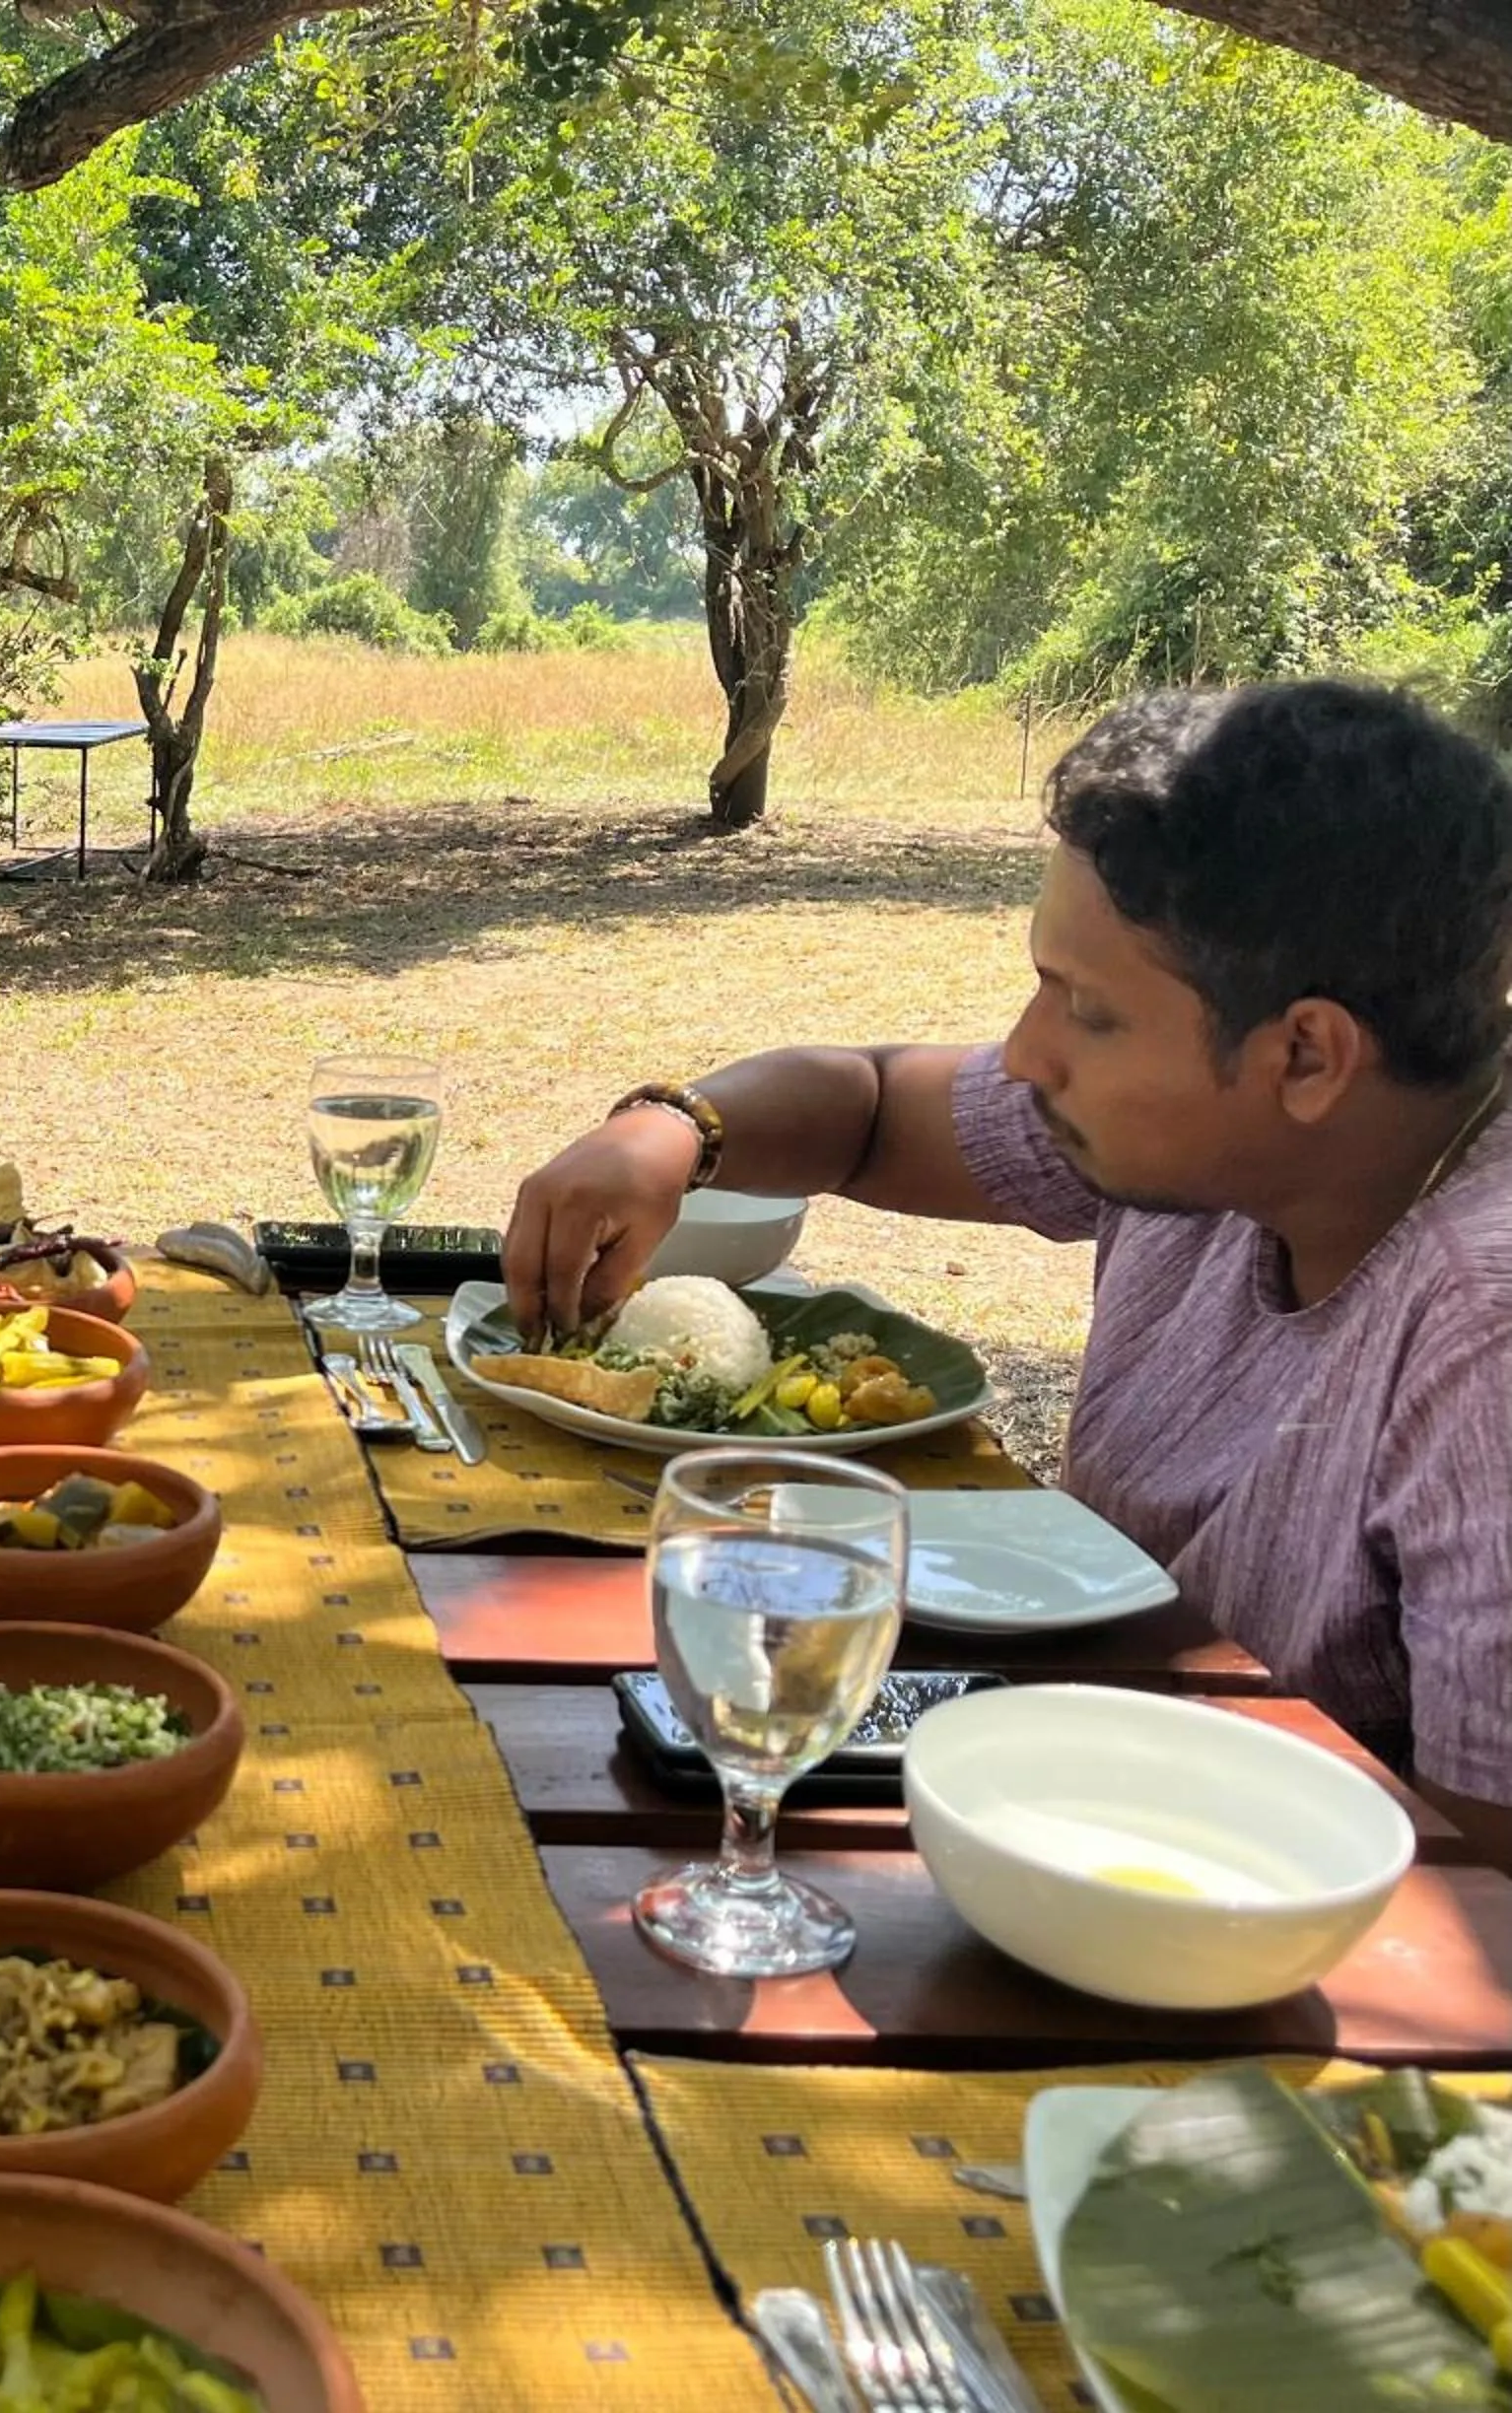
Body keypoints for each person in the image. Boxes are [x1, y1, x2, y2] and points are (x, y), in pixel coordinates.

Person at [503, 679, 1512, 1856]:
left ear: (1307, 1054)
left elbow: (1482, 1902)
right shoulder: (1229, 1142)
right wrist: (673, 1129)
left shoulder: (1481, 1339)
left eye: (1085, 1011)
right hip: (1073, 1790)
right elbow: (871, 1109)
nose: (1027, 1055)